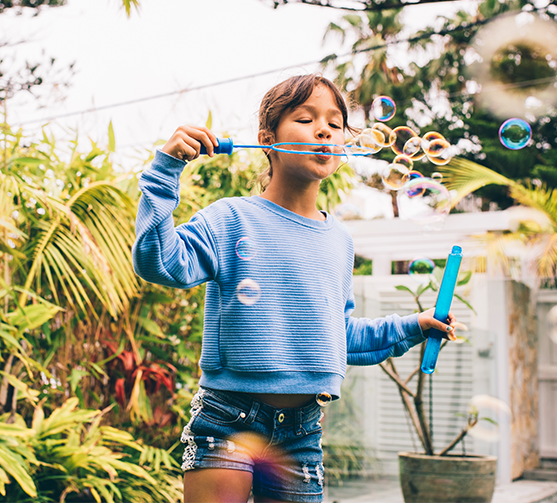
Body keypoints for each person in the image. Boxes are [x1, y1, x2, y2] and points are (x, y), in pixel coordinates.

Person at [132, 74, 457, 503]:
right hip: (229, 418)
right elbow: (159, 262)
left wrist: (413, 326)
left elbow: (337, 337)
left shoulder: (339, 240)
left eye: (335, 123)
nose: (323, 129)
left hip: (302, 431)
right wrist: (165, 171)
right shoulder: (230, 219)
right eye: (305, 119)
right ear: (268, 139)